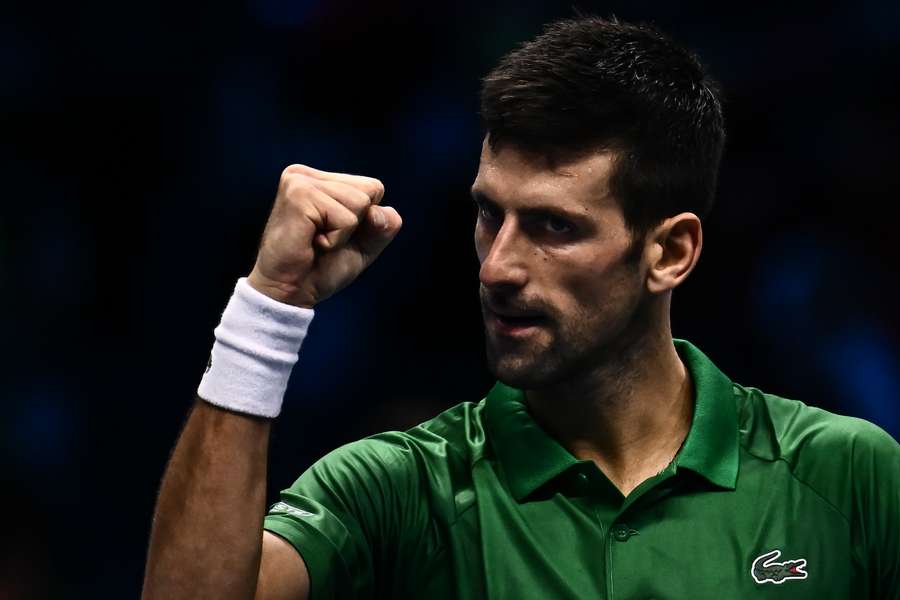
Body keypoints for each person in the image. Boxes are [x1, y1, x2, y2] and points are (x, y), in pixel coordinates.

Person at [141, 15, 899, 600]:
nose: (499, 266)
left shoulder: (847, 476)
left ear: (670, 252)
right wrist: (268, 310)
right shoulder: (401, 490)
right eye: (488, 215)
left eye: (554, 227)